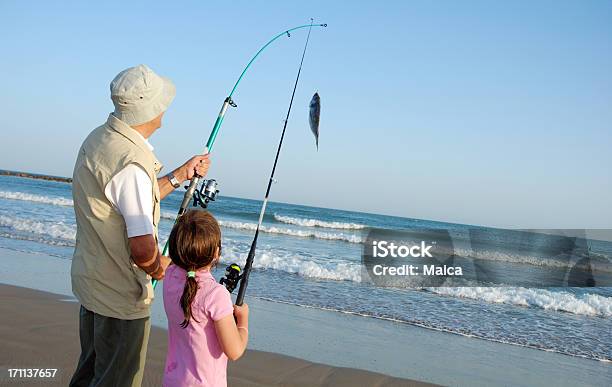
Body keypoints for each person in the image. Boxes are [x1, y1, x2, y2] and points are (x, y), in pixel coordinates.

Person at [70, 64, 211, 387]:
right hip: (119, 298)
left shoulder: (100, 139)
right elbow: (143, 249)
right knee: (116, 380)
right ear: (152, 108)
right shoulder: (131, 162)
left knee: (89, 373)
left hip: (92, 283)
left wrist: (180, 175)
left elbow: (128, 198)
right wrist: (165, 267)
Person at [163, 210, 249, 387]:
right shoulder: (216, 294)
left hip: (172, 380)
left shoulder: (169, 275)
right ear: (216, 253)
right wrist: (243, 322)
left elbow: (174, 265)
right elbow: (234, 351)